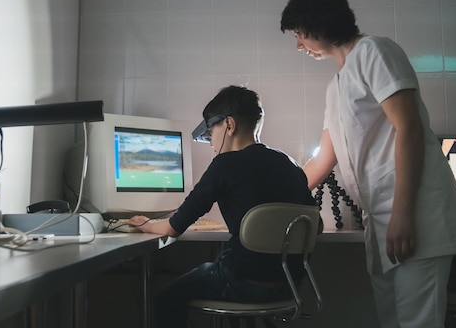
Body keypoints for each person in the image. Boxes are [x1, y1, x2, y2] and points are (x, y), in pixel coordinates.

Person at [280, 0, 456, 328]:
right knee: (392, 321)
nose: (298, 45)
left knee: (418, 322)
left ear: (318, 24)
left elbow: (409, 129)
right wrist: (280, 198)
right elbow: (325, 159)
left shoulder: (374, 51)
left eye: (299, 34)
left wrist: (403, 215)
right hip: (381, 220)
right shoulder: (336, 86)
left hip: (415, 213)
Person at [127, 85, 317, 328]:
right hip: (289, 285)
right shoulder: (289, 163)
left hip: (239, 282)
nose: (210, 142)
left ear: (229, 125)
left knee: (166, 298)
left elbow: (172, 228)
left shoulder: (224, 165)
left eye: (210, 132)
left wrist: (144, 224)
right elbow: (316, 225)